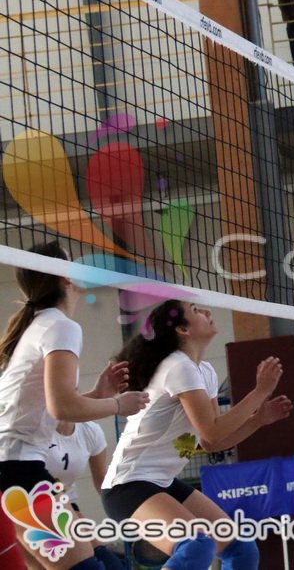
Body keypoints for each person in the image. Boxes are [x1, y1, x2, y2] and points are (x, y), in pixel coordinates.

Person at [101, 299, 292, 570]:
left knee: (240, 549)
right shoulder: (178, 366)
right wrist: (260, 392)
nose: (207, 311)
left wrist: (257, 421)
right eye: (195, 310)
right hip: (128, 486)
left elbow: (212, 441)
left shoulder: (204, 371)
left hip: (162, 482)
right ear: (183, 329)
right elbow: (211, 429)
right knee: (196, 546)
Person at [0, 241, 149, 570]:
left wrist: (96, 396)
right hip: (17, 471)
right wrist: (118, 404)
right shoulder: (60, 326)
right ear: (65, 276)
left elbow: (44, 413)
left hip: (12, 470)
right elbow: (62, 407)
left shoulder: (36, 326)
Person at [44, 421, 122, 569]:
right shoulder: (33, 428)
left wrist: (129, 513)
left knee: (109, 563)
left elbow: (102, 481)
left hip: (67, 505)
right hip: (29, 506)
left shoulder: (90, 430)